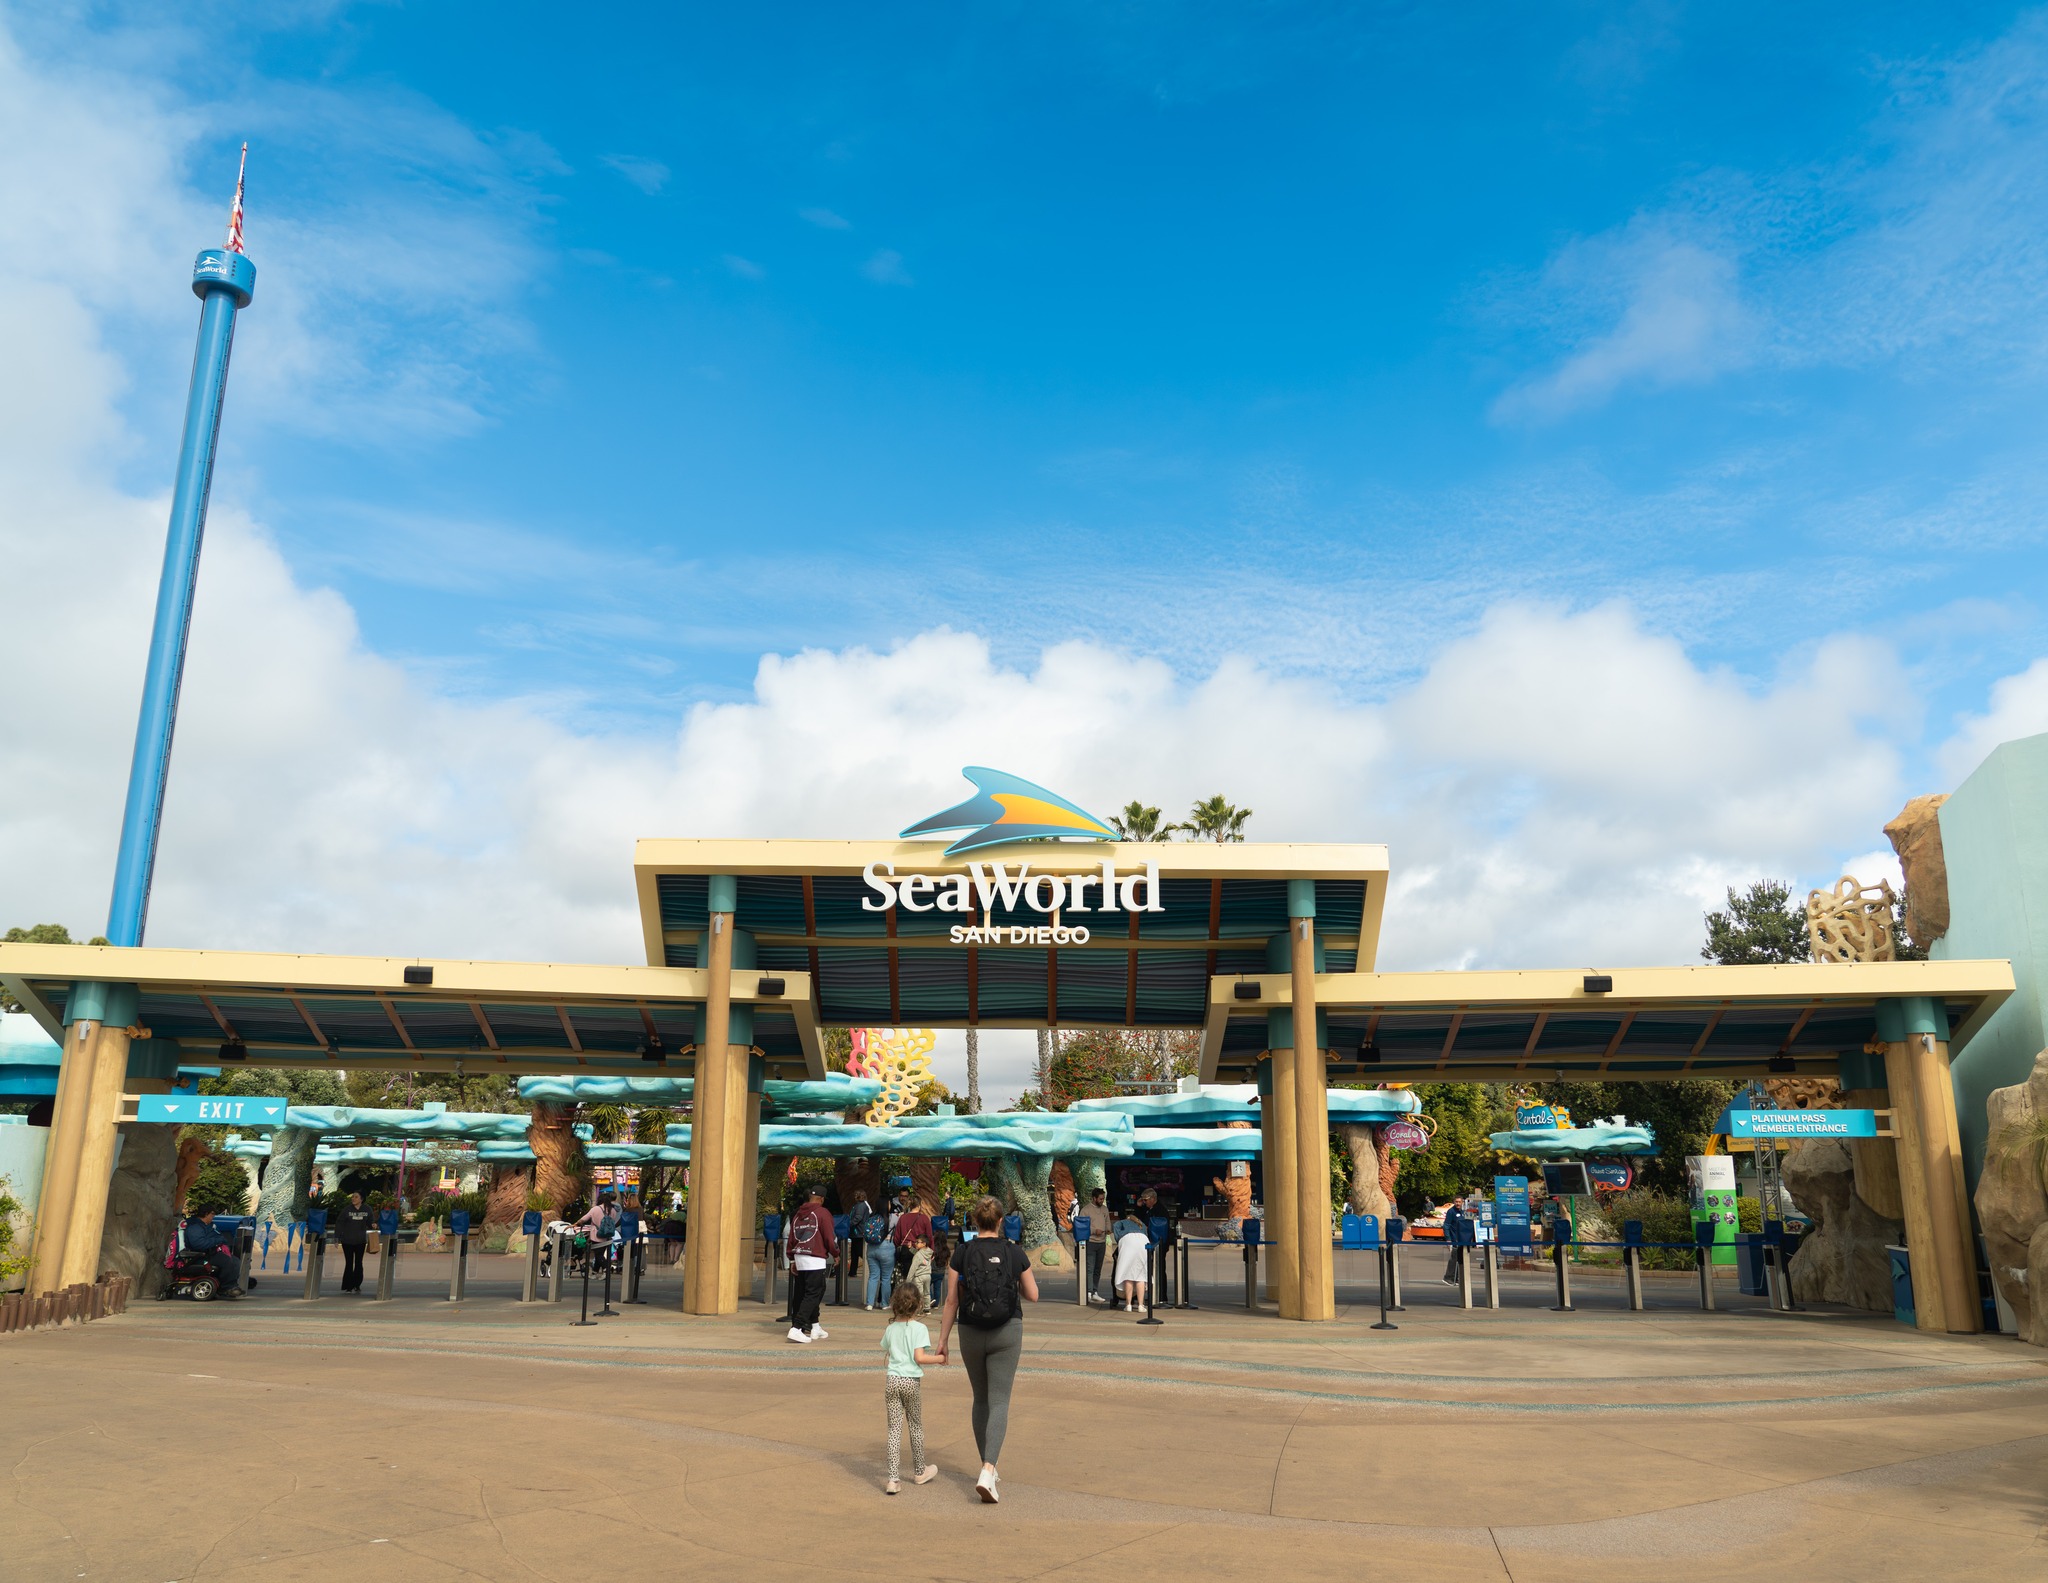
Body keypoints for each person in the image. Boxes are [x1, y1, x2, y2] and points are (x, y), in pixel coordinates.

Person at [936, 1195, 1039, 1504]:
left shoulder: (962, 1252)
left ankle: (986, 1464)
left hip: (970, 1330)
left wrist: (942, 1340)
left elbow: (951, 1300)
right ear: (1000, 1222)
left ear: (974, 1221)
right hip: (1007, 1330)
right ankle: (988, 1468)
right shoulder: (1014, 1251)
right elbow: (1033, 1294)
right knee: (1000, 1401)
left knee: (980, 1399)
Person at [879, 1279, 945, 1494]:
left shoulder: (891, 1329)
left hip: (892, 1380)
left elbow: (887, 1350)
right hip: (910, 1382)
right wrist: (940, 1358)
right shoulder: (919, 1328)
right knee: (915, 1426)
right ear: (918, 1304)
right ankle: (919, 1471)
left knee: (894, 1430)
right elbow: (919, 1357)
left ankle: (892, 1479)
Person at [786, 1187, 837, 1343]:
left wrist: (792, 1259)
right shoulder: (822, 1213)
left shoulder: (797, 1214)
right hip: (815, 1257)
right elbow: (829, 1237)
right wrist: (836, 1253)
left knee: (805, 1292)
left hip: (799, 1255)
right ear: (821, 1199)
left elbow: (791, 1237)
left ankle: (815, 1326)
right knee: (813, 1293)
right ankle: (797, 1328)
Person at [182, 1208, 243, 1295]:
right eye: (212, 1214)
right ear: (206, 1214)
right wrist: (217, 1241)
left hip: (211, 1253)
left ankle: (231, 1285)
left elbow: (221, 1238)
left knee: (235, 1261)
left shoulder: (209, 1225)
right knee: (227, 1261)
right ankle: (226, 1288)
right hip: (200, 1256)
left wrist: (221, 1243)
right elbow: (198, 1244)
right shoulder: (195, 1227)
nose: (214, 1216)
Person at [334, 1192, 372, 1294]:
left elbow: (370, 1222)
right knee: (349, 1263)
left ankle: (357, 1284)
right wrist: (337, 1238)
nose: (353, 1199)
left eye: (356, 1197)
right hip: (347, 1241)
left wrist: (374, 1224)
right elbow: (339, 1223)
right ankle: (348, 1286)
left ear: (361, 1199)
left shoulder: (367, 1209)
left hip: (360, 1241)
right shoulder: (347, 1210)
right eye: (352, 1197)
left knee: (359, 1263)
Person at [1080, 1188, 1112, 1302]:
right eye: (1100, 1199)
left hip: (1102, 1243)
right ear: (1094, 1198)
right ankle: (1088, 1292)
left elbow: (1107, 1222)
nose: (1102, 1201)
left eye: (1103, 1199)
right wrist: (1094, 1231)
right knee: (1090, 1268)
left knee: (1098, 1269)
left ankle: (1095, 1291)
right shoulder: (1086, 1210)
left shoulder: (1104, 1209)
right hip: (1091, 1242)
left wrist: (1108, 1229)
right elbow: (1082, 1226)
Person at [1113, 1212, 1151, 1311]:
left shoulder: (1123, 1222)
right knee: (1141, 1276)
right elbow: (1146, 1233)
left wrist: (1119, 1239)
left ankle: (1128, 1305)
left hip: (1127, 1241)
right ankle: (1141, 1305)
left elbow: (1115, 1226)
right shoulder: (1141, 1223)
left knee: (1127, 1275)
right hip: (1143, 1242)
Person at [861, 1199, 894, 1310]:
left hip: (871, 1248)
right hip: (886, 1249)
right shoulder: (891, 1218)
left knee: (873, 1276)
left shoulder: (871, 1217)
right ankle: (884, 1304)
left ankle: (869, 1303)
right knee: (886, 1278)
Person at [892, 1191, 932, 1281]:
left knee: (906, 1278)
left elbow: (897, 1238)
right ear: (919, 1205)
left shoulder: (903, 1218)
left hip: (905, 1250)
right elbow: (929, 1237)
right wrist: (931, 1251)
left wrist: (899, 1246)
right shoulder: (924, 1218)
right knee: (919, 1278)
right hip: (920, 1250)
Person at [1442, 1198, 1469, 1285]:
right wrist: (1448, 1239)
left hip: (1462, 1239)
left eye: (1459, 1202)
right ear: (1454, 1202)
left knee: (1459, 1259)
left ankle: (1455, 1278)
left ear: (1462, 1202)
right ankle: (1448, 1277)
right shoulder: (1451, 1211)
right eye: (1456, 1202)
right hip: (1454, 1239)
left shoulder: (1463, 1212)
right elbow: (1446, 1225)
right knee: (1454, 1259)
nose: (1458, 1203)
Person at [906, 1234, 934, 1315]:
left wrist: (908, 1280)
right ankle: (927, 1308)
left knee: (919, 1294)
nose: (915, 1244)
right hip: (927, 1275)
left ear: (924, 1243)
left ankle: (919, 1310)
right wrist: (911, 1249)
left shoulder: (918, 1255)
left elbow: (913, 1268)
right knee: (927, 1292)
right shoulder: (929, 1252)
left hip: (919, 1276)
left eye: (917, 1242)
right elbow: (919, 1254)